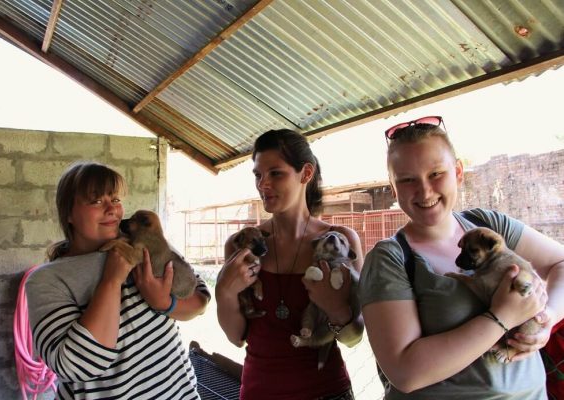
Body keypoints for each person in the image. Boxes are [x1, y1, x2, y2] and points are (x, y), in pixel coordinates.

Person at [358, 116, 564, 399]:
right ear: (393, 188)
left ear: (457, 172)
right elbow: (405, 373)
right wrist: (502, 317)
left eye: (435, 174)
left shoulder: (490, 226)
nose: (425, 191)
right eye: (407, 180)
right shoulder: (390, 259)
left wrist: (546, 318)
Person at [25, 161, 210, 400]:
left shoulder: (145, 240)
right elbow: (76, 366)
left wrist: (165, 303)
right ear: (68, 213)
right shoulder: (47, 280)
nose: (112, 208)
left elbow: (200, 299)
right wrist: (111, 281)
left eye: (115, 199)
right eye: (96, 201)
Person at [216, 129, 365, 400]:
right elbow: (236, 337)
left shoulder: (340, 242)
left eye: (275, 173)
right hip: (258, 392)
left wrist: (337, 309)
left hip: (327, 393)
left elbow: (353, 339)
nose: (263, 184)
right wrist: (224, 293)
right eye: (258, 175)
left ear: (306, 174)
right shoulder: (242, 245)